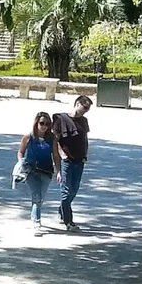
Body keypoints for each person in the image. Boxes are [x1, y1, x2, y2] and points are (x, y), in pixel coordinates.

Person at [51, 95, 93, 232]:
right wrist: (61, 155)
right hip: (67, 161)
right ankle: (69, 222)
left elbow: (84, 139)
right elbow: (55, 140)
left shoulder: (84, 121)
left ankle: (62, 209)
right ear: (77, 103)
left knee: (74, 190)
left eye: (88, 108)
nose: (86, 110)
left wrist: (85, 155)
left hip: (80, 160)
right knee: (66, 191)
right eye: (85, 107)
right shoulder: (60, 119)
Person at [18, 111, 58, 228]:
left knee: (41, 196)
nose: (44, 126)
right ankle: (36, 220)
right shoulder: (28, 137)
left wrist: (59, 171)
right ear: (36, 123)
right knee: (37, 196)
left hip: (47, 171)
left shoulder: (52, 138)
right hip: (31, 171)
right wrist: (21, 163)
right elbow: (21, 152)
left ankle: (34, 216)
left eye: (47, 124)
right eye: (42, 123)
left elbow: (55, 155)